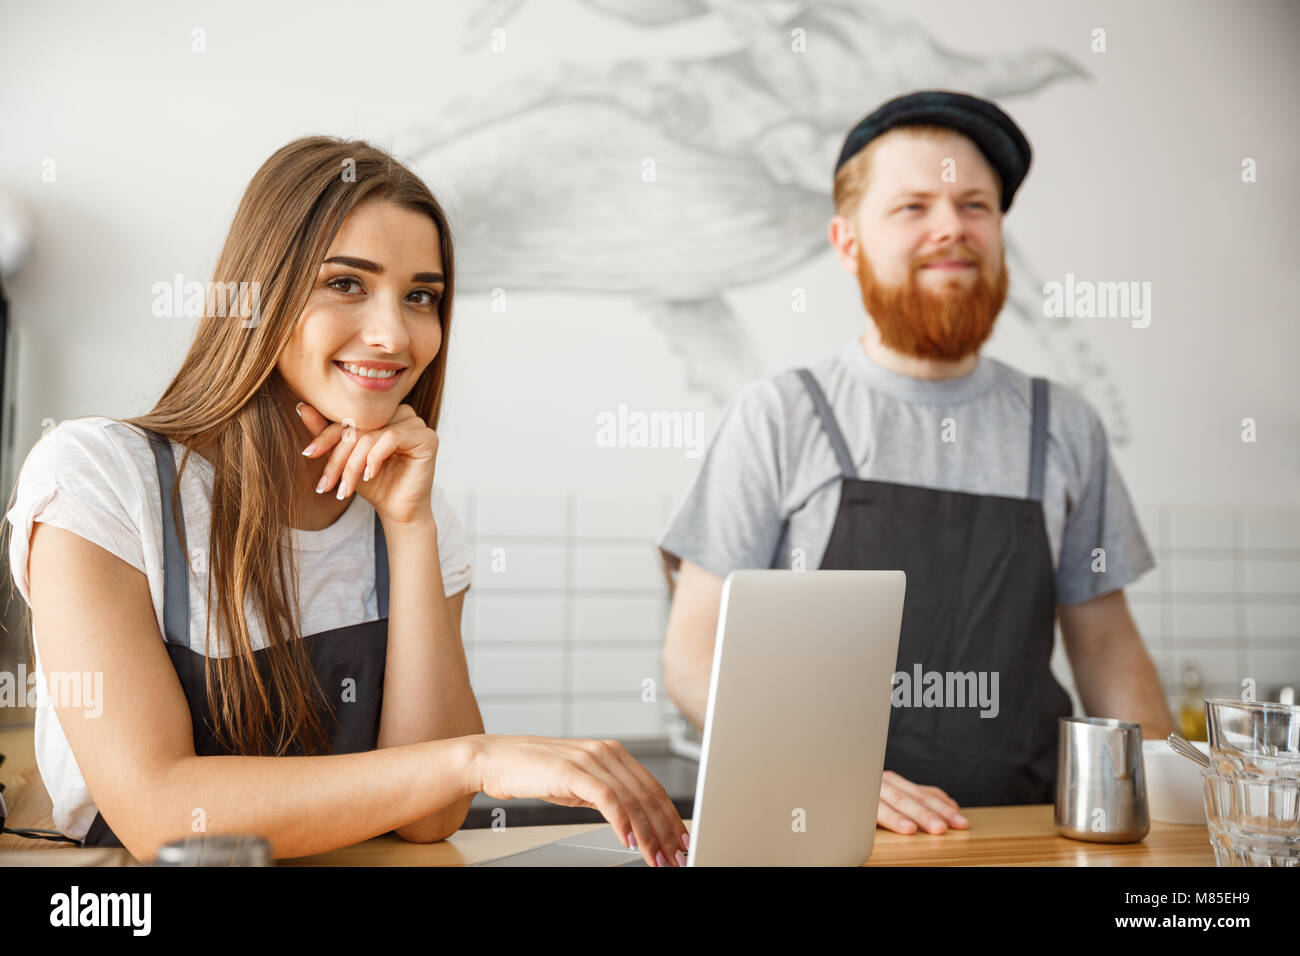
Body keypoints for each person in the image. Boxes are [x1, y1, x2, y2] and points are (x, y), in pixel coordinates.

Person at [3, 136, 688, 866]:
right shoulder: (98, 479)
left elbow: (431, 822)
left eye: (421, 296)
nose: (395, 334)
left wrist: (411, 527)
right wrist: (473, 758)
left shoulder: (414, 516)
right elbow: (164, 814)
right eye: (346, 284)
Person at [658, 91, 1175, 836]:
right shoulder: (780, 415)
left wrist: (1173, 820)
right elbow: (693, 653)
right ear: (847, 242)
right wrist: (824, 774)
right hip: (825, 837)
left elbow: (1107, 646)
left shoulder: (1063, 425)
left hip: (1022, 835)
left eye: (976, 206)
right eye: (912, 207)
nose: (951, 229)